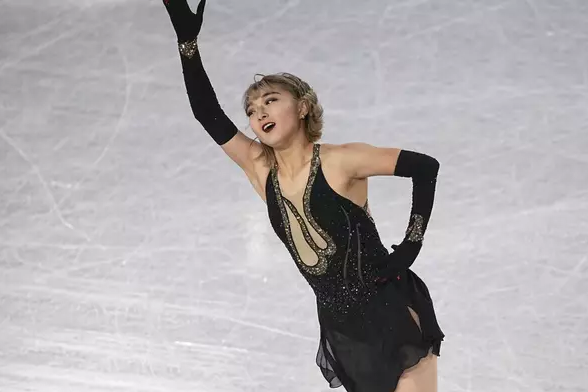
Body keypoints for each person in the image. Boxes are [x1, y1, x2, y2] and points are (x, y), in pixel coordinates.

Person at [162, 1, 445, 391]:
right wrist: (187, 43)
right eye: (251, 108)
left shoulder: (342, 161)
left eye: (270, 99)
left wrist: (410, 246)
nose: (258, 111)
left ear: (303, 106)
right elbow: (206, 113)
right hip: (342, 330)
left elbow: (425, 166)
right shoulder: (261, 171)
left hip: (391, 311)